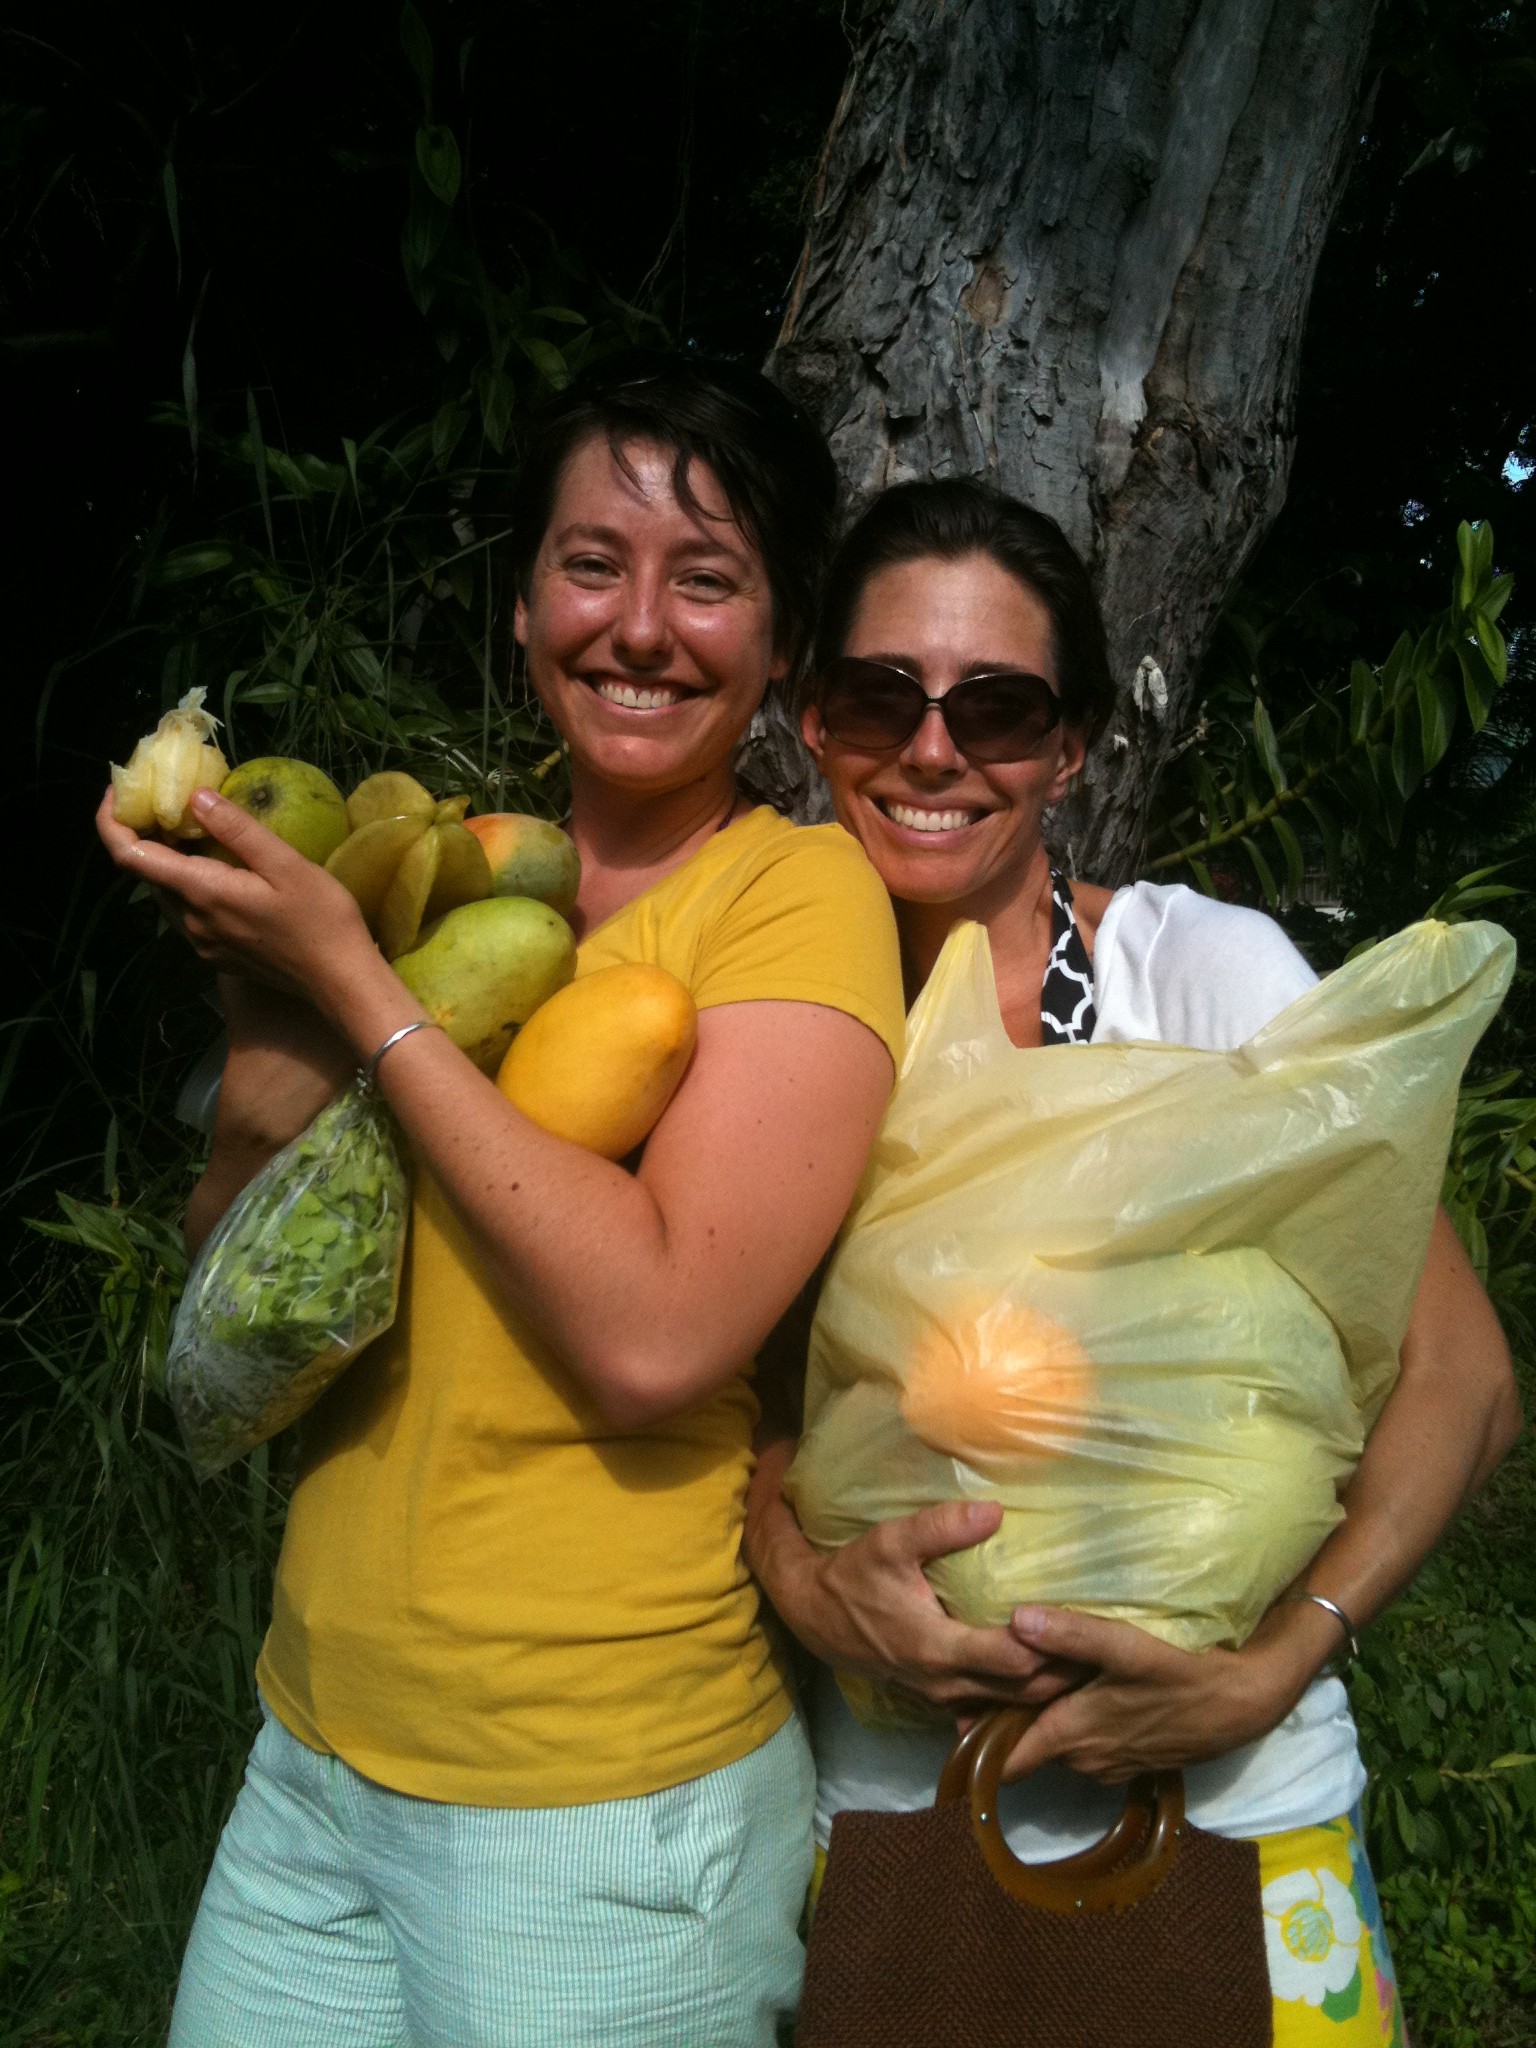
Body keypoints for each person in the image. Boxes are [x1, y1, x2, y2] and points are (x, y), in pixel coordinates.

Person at [97, 356, 908, 2048]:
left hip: (598, 1811)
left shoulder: (793, 895)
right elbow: (240, 1314)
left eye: (709, 581)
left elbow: (656, 1338)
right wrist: (272, 1027)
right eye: (591, 563)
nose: (639, 627)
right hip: (314, 1746)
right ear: (527, 600)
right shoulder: (453, 870)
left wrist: (352, 988)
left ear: (778, 643)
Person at [745, 477, 1523, 2045]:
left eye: (1002, 706)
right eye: (879, 693)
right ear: (811, 716)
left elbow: (1465, 1373)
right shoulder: (771, 1023)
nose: (935, 748)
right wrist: (807, 1584)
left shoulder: (1198, 970)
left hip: (1238, 1809)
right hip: (893, 1810)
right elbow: (738, 1399)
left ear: (1075, 744)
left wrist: (1271, 1664)